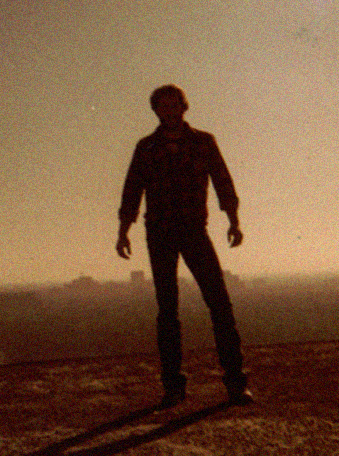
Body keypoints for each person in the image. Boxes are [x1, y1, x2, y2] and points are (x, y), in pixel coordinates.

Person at [116, 84, 253, 407]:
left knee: (219, 303)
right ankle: (173, 387)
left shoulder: (203, 142)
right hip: (159, 233)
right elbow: (132, 189)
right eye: (163, 105)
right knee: (167, 310)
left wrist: (234, 221)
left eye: (174, 104)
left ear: (183, 106)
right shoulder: (146, 147)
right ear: (156, 110)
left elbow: (222, 181)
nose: (169, 110)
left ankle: (236, 382)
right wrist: (123, 231)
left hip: (194, 230)